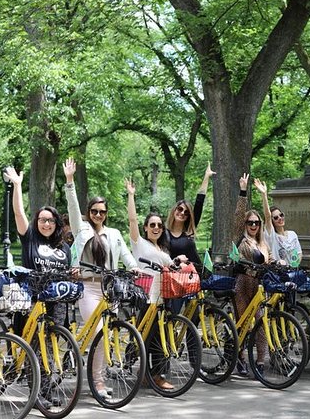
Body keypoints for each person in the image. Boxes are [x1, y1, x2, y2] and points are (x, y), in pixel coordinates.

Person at [63, 158, 138, 400]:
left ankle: (78, 354)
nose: (98, 214)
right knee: (97, 333)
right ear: (89, 213)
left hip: (109, 291)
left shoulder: (114, 234)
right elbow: (73, 208)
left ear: (106, 214)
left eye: (102, 212)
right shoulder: (81, 230)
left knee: (107, 333)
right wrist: (70, 181)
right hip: (88, 288)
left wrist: (134, 267)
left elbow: (125, 254)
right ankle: (98, 381)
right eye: (94, 211)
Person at [4, 166, 71, 409]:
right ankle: (36, 393)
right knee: (33, 343)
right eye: (42, 220)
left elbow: (65, 272)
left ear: (56, 223)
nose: (46, 224)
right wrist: (18, 185)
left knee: (51, 346)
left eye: (51, 220)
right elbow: (18, 212)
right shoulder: (30, 236)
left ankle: (47, 388)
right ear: (37, 222)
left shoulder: (63, 248)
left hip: (57, 300)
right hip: (32, 298)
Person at [125, 179, 177, 389]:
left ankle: (150, 373)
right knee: (148, 336)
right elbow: (131, 221)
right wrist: (131, 196)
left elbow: (172, 267)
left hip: (163, 298)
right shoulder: (139, 244)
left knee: (159, 336)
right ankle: (151, 375)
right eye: (152, 224)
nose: (156, 227)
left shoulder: (163, 250)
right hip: (144, 296)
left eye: (159, 225)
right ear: (146, 227)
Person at [233, 174, 272, 376]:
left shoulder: (263, 242)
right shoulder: (242, 237)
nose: (254, 225)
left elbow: (270, 258)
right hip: (242, 283)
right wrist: (243, 191)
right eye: (250, 222)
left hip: (258, 285)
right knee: (243, 322)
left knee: (260, 323)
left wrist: (278, 262)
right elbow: (239, 216)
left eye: (256, 222)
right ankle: (239, 358)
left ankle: (259, 362)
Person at [164, 162, 215, 266]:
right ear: (174, 210)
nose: (182, 213)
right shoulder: (165, 234)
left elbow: (199, 203)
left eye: (186, 212)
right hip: (177, 277)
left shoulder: (189, 230)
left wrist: (206, 177)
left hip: (196, 274)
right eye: (180, 209)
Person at [256, 179, 302, 266]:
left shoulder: (292, 234)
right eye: (276, 217)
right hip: (278, 274)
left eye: (281, 215)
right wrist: (264, 195)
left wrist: (294, 267)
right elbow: (267, 216)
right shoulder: (271, 236)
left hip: (293, 272)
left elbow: (299, 253)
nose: (280, 218)